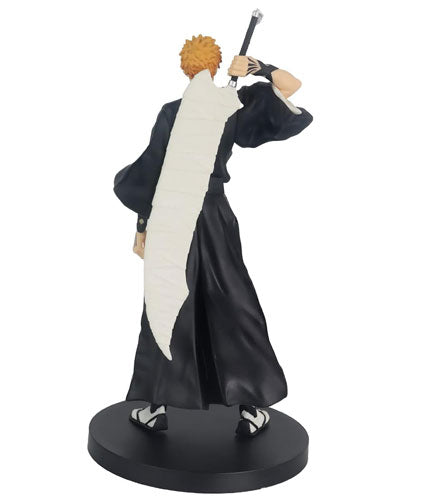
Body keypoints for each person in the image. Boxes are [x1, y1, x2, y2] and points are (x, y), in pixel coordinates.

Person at [114, 35, 313, 437]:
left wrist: (142, 226)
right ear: (216, 64)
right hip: (210, 218)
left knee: (170, 301)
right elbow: (290, 86)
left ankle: (157, 407)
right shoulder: (225, 108)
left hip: (176, 219)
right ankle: (249, 407)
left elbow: (149, 175)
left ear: (185, 67)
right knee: (228, 304)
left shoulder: (190, 110)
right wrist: (260, 67)